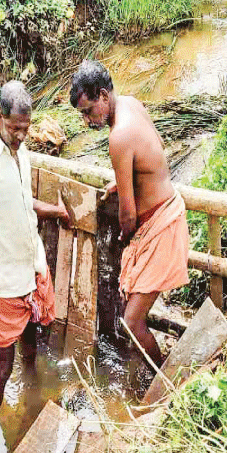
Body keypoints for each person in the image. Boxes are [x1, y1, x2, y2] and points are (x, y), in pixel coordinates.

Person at [0, 81, 69, 417]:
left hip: (32, 267)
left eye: (26, 128)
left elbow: (21, 201)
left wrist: (55, 211)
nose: (21, 136)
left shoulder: (21, 152)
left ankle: (32, 392)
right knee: (2, 367)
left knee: (34, 341)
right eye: (14, 128)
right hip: (5, 282)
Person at [70, 60, 189, 369]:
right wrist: (126, 181)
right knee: (130, 309)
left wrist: (124, 238)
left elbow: (128, 216)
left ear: (103, 96)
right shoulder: (132, 105)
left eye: (88, 111)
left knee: (131, 322)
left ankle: (160, 378)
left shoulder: (118, 137)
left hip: (160, 226)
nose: (87, 121)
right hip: (166, 210)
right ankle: (145, 369)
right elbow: (155, 150)